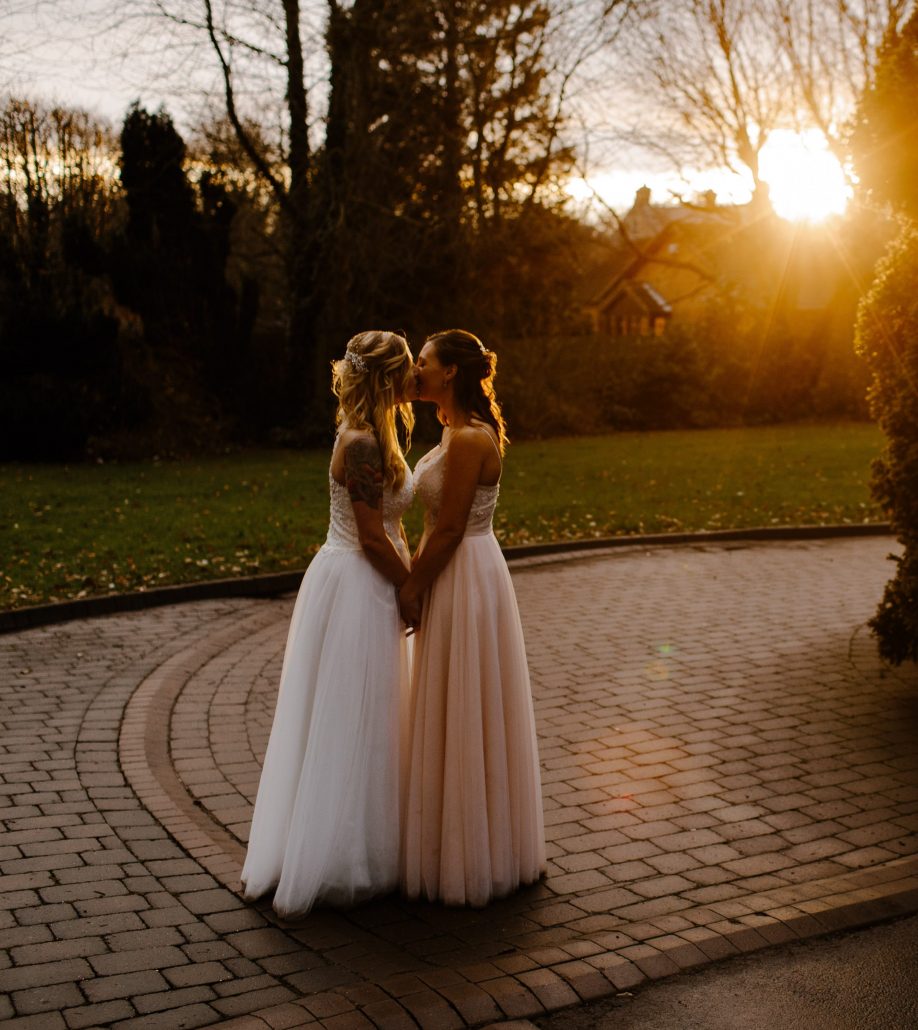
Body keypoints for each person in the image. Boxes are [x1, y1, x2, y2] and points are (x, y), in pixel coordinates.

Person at [241, 330, 416, 918]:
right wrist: (411, 589)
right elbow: (371, 536)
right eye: (407, 374)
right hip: (358, 586)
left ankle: (362, 842)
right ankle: (345, 858)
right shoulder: (363, 443)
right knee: (355, 717)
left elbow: (388, 525)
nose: (414, 383)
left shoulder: (370, 434)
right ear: (388, 380)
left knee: (369, 716)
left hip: (359, 576)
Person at [398, 329, 545, 906]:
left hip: (463, 572)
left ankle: (467, 855)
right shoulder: (451, 432)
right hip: (458, 567)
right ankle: (456, 840)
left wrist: (411, 586)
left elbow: (453, 527)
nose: (416, 371)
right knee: (454, 704)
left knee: (466, 704)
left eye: (425, 362)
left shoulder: (467, 441)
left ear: (450, 373)